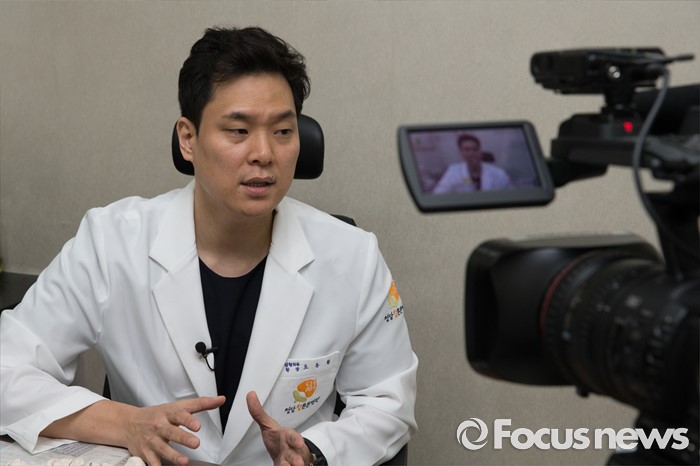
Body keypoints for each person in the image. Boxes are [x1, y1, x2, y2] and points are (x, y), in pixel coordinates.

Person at [0, 26, 418, 466]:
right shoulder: (111, 242)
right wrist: (125, 423)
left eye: (282, 131)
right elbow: (7, 368)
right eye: (238, 130)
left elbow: (387, 402)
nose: (264, 153)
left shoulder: (352, 257)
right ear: (188, 138)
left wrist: (316, 452)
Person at [432, 133, 511, 193]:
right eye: (467, 150)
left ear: (480, 150)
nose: (471, 153)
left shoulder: (498, 173)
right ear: (460, 152)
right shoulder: (453, 172)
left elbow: (510, 195)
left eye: (475, 149)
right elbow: (438, 194)